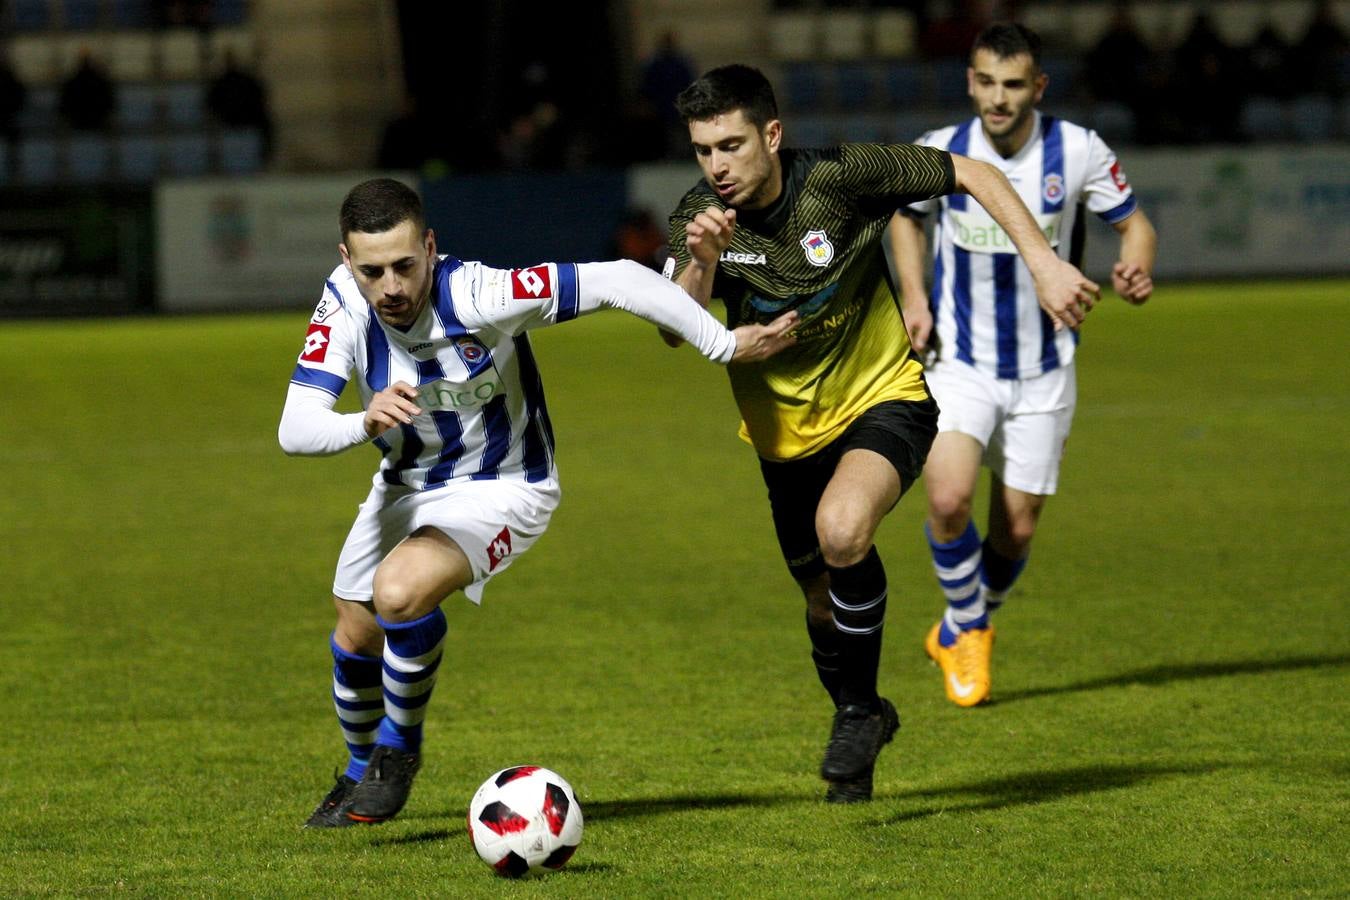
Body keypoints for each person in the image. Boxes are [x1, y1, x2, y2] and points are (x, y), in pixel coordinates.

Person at [280, 178, 798, 828]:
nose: (391, 286)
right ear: (347, 260)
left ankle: (398, 748)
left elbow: (619, 279)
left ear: (431, 248)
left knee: (398, 593)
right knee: (354, 634)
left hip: (505, 484)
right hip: (406, 484)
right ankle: (359, 775)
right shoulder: (343, 305)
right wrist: (363, 421)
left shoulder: (480, 294)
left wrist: (721, 344)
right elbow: (295, 429)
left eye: (405, 266)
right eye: (373, 270)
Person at [663, 64, 1097, 802]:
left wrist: (1045, 263)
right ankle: (860, 724)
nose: (718, 166)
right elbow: (678, 330)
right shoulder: (698, 219)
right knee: (821, 602)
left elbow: (973, 172)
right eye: (705, 150)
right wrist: (701, 265)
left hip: (884, 397)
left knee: (842, 531)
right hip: (784, 438)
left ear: (771, 134)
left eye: (731, 145)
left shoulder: (842, 175)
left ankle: (859, 712)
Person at [887, 23, 1156, 709]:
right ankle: (972, 627)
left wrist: (1137, 264)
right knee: (946, 497)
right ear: (970, 82)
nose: (998, 99)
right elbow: (903, 217)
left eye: (1013, 85)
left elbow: (1136, 222)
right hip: (960, 360)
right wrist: (914, 297)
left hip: (1044, 367)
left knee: (1017, 528)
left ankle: (958, 622)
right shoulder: (942, 150)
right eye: (986, 82)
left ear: (1038, 86)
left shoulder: (1078, 150)